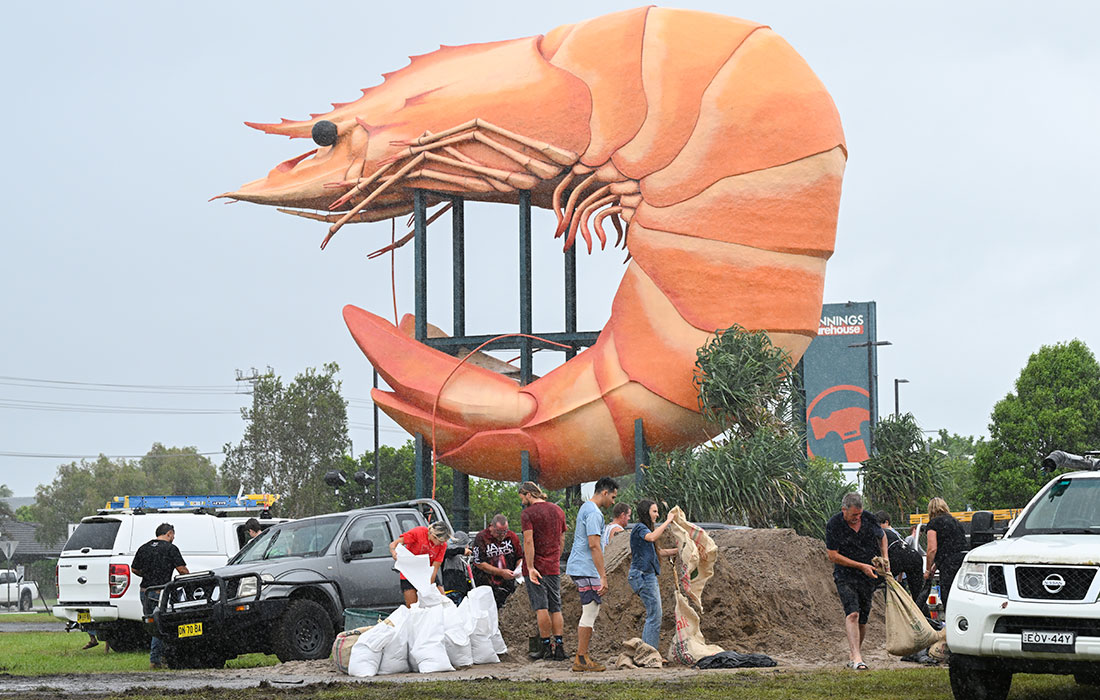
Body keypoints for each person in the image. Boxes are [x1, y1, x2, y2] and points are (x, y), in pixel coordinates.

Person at [825, 493, 887, 671]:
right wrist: (861, 566)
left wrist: (885, 558)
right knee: (853, 613)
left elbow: (882, 536)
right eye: (853, 515)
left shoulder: (868, 518)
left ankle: (855, 655)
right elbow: (832, 555)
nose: (857, 518)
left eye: (859, 515)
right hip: (845, 575)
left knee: (863, 618)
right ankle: (857, 658)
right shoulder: (834, 524)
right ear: (844, 510)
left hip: (868, 576)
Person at [565, 476, 619, 673]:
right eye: (612, 497)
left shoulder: (586, 508)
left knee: (591, 610)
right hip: (585, 568)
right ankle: (581, 657)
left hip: (581, 567)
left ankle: (583, 655)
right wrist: (603, 576)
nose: (613, 502)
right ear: (604, 492)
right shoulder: (594, 513)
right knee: (590, 610)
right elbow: (594, 545)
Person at [519, 481, 568, 662]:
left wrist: (531, 567)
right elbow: (562, 538)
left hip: (536, 566)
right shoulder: (558, 511)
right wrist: (555, 557)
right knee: (556, 607)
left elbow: (529, 541)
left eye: (523, 497)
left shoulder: (528, 514)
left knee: (541, 607)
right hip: (553, 566)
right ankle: (560, 647)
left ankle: (546, 646)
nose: (523, 501)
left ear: (529, 494)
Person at [131, 523, 189, 670]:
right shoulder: (171, 548)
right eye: (173, 535)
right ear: (169, 533)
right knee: (161, 625)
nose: (173, 538)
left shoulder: (144, 547)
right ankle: (156, 660)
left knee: (152, 624)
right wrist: (189, 579)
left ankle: (160, 657)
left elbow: (134, 569)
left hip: (144, 591)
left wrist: (148, 574)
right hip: (160, 592)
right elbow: (181, 569)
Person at [629, 500, 678, 653]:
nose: (657, 515)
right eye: (654, 512)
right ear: (646, 512)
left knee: (654, 614)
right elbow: (651, 538)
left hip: (646, 575)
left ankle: (646, 652)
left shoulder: (645, 530)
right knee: (655, 615)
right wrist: (668, 521)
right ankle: (649, 653)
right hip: (643, 576)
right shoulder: (640, 528)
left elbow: (658, 553)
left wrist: (678, 550)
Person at [873, 511, 930, 619]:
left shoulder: (882, 533)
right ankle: (927, 619)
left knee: (877, 580)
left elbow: (897, 556)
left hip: (902, 559)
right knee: (917, 594)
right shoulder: (894, 534)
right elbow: (903, 552)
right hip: (914, 557)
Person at [389, 520, 452, 607]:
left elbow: (435, 568)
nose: (442, 544)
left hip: (427, 573)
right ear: (434, 536)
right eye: (441, 541)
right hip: (409, 573)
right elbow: (394, 544)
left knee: (442, 602)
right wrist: (394, 552)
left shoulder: (442, 545)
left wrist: (427, 587)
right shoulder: (419, 532)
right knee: (413, 607)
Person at [924, 497, 968, 607]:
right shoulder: (956, 522)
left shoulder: (933, 524)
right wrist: (936, 565)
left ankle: (950, 619)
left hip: (949, 564)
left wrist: (928, 570)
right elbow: (953, 544)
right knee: (961, 594)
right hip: (963, 560)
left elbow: (932, 549)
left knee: (947, 595)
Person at [472, 514, 521, 609]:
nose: (502, 535)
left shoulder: (512, 537)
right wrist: (501, 572)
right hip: (486, 584)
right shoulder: (481, 537)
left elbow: (520, 557)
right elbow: (479, 563)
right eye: (498, 532)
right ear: (491, 526)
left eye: (504, 532)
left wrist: (518, 569)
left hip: (507, 584)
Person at [442, 531, 474, 605]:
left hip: (459, 590)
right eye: (467, 545)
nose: (468, 547)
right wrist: (462, 550)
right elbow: (449, 552)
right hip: (452, 590)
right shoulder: (451, 552)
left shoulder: (460, 555)